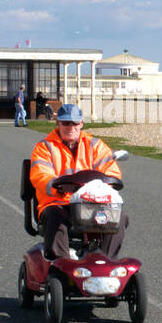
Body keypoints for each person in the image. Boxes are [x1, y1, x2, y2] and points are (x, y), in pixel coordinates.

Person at [29, 104, 128, 260]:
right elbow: (41, 175)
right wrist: (60, 187)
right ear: (58, 123)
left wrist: (102, 188)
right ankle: (61, 265)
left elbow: (111, 171)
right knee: (54, 216)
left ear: (81, 123)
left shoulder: (95, 145)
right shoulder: (44, 147)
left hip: (91, 204)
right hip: (59, 203)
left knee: (119, 217)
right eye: (66, 123)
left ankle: (104, 262)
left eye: (75, 123)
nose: (71, 127)